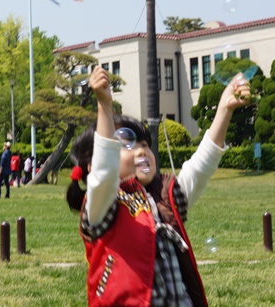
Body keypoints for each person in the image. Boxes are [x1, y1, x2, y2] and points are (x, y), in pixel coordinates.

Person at [67, 66, 250, 306]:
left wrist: (224, 110)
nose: (142, 150)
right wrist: (104, 106)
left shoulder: (164, 196)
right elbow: (105, 173)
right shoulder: (102, 204)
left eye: (145, 144)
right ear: (92, 165)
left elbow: (200, 166)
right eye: (127, 144)